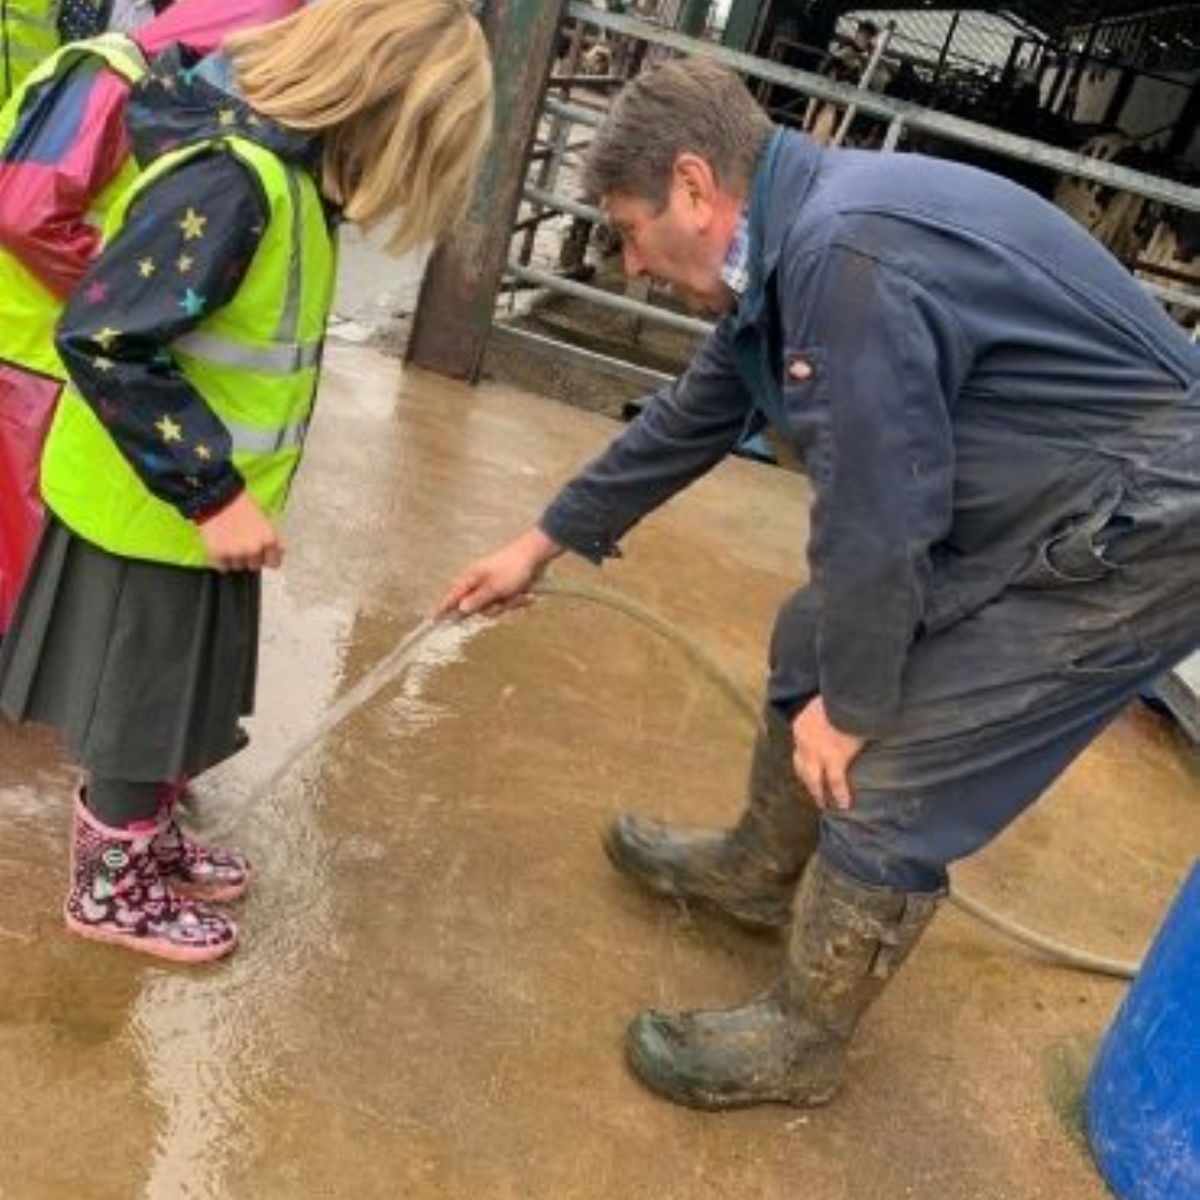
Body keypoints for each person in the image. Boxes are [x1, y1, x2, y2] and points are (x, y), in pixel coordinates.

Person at [436, 58, 1200, 1111]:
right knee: (818, 633)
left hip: (1146, 525)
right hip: (1061, 491)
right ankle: (758, 874)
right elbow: (698, 410)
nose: (629, 264)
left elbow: (881, 518)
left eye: (627, 229)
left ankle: (806, 1038)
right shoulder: (804, 246)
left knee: (895, 763)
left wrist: (853, 708)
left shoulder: (844, 258)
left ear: (696, 188)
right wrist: (541, 541)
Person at [0, 0, 493, 963]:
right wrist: (212, 491)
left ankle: (143, 840)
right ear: (373, 111)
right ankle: (109, 887)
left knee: (180, 689)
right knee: (140, 703)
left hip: (191, 508)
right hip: (155, 506)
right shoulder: (235, 185)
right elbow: (103, 335)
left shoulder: (284, 180)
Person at [0, 0, 303, 633]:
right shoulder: (114, 77)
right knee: (17, 565)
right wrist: (134, 299)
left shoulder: (144, 82)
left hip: (42, 350)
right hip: (28, 354)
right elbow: (24, 214)